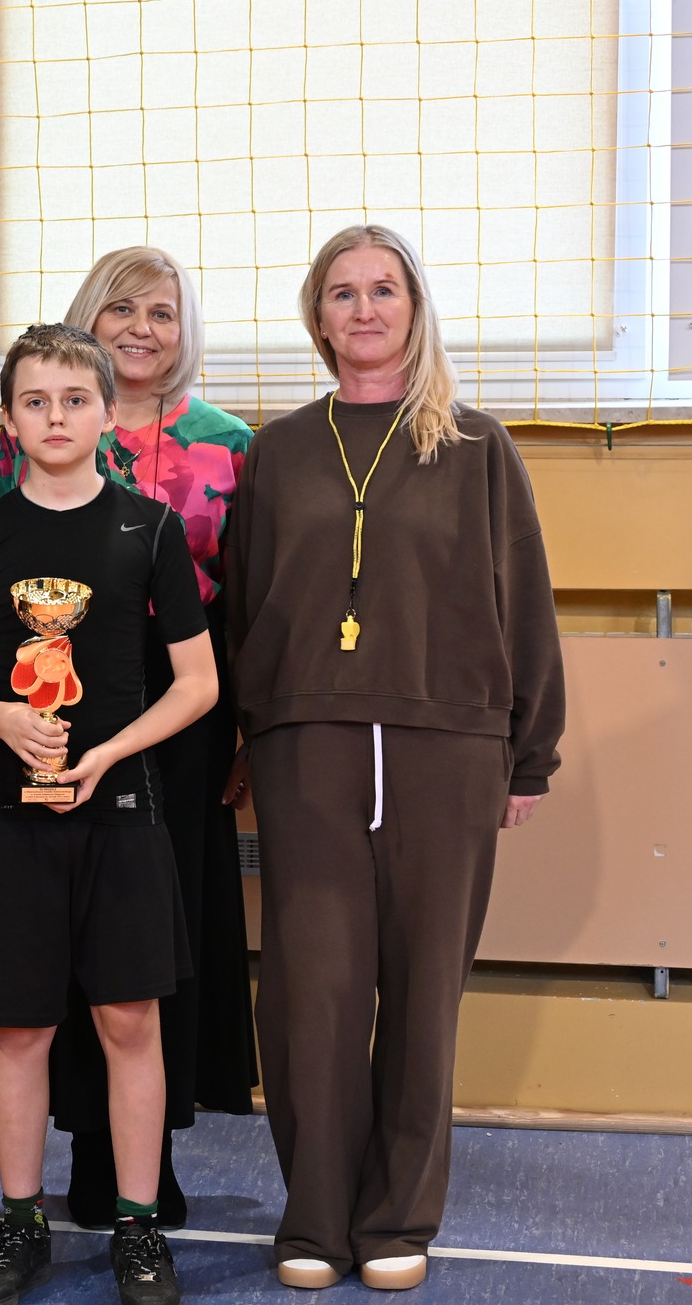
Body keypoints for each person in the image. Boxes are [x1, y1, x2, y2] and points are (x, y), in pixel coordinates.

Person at [225, 224, 563, 1292]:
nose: (362, 309)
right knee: (309, 997)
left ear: (412, 308)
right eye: (340, 292)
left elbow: (524, 604)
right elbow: (242, 607)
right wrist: (243, 736)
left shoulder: (475, 446)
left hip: (446, 751)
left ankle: (396, 1218)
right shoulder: (274, 451)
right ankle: (314, 1219)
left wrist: (527, 755)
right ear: (314, 315)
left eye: (382, 290)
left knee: (423, 997)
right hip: (307, 749)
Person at [0, 325, 216, 1305]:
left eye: (72, 399)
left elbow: (196, 684)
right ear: (8, 421)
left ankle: (136, 1227)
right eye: (33, 401)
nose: (53, 417)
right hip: (16, 821)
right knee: (16, 1031)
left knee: (126, 1018)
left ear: (107, 413)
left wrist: (105, 754)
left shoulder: (146, 531)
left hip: (123, 816)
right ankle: (20, 1221)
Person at [0, 247, 257, 1229]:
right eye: (120, 309)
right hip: (57, 710)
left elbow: (250, 603)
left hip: (178, 718)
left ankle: (153, 1153)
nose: (142, 328)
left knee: (161, 940)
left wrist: (246, 734)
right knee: (58, 937)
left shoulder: (230, 443)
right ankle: (85, 1144)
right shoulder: (33, 435)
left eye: (163, 312)